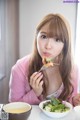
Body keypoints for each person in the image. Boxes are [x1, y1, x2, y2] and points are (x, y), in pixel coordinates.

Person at [9, 13, 80, 106]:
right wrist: (35, 93)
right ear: (36, 37)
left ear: (65, 45)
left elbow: (69, 104)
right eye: (44, 36)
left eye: (57, 40)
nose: (48, 46)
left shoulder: (72, 69)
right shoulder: (20, 68)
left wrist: (74, 102)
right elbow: (13, 106)